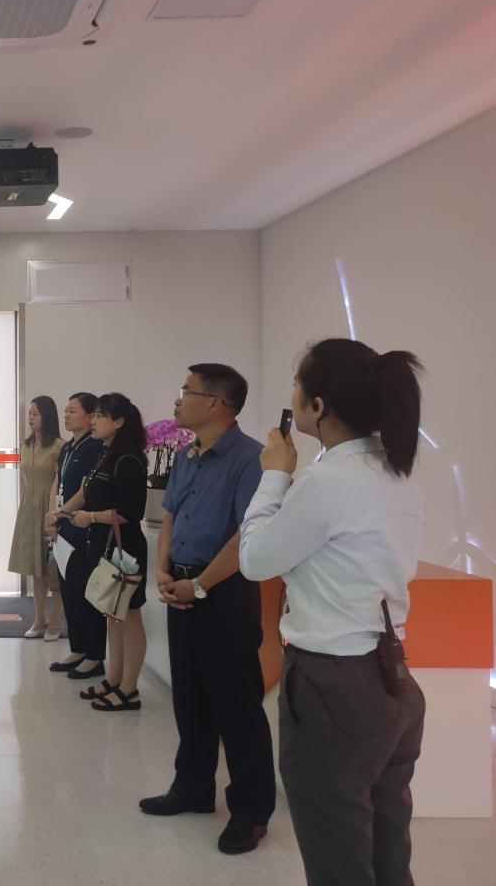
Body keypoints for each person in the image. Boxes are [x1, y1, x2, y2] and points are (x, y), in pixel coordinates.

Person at [239, 339, 427, 886]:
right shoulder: (398, 474)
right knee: (388, 851)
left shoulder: (325, 482)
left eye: (297, 386)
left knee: (337, 858)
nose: (292, 396)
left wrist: (274, 476)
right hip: (392, 678)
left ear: (317, 406)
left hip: (332, 687)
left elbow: (255, 560)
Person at [140, 364, 276, 856]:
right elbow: (170, 517)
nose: (178, 400)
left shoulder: (250, 460)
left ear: (216, 403)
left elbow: (246, 538)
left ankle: (251, 811)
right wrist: (163, 571)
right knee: (190, 697)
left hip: (224, 591)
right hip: (182, 584)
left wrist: (198, 585)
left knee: (236, 704)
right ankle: (193, 788)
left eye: (187, 391)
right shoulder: (186, 455)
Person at [56, 393, 149, 707]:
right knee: (113, 615)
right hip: (102, 546)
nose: (93, 421)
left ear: (119, 422)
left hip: (124, 550)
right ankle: (114, 679)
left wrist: (91, 517)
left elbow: (130, 513)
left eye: (100, 416)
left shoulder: (128, 460)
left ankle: (129, 689)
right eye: (93, 415)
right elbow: (86, 492)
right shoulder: (105, 455)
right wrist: (64, 513)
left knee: (129, 617)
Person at [45, 392, 104, 673]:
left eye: (73, 410)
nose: (66, 415)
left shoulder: (94, 447)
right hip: (64, 528)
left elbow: (84, 491)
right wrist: (52, 517)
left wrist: (59, 513)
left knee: (85, 594)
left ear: (91, 416)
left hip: (83, 528)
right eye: (66, 410)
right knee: (68, 592)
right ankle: (77, 648)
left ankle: (94, 656)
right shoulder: (68, 447)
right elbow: (57, 481)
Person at [8, 396, 65, 638]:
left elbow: (59, 483)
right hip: (28, 509)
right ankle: (39, 619)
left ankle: (56, 622)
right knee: (35, 568)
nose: (30, 418)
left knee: (53, 568)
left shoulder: (60, 446)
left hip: (50, 509)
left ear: (47, 416)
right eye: (29, 413)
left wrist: (53, 515)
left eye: (35, 413)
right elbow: (25, 481)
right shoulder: (26, 445)